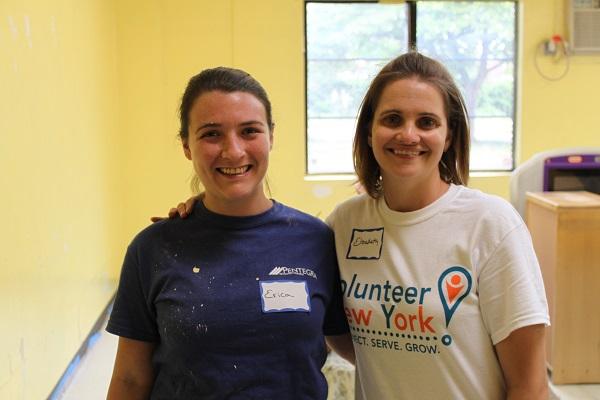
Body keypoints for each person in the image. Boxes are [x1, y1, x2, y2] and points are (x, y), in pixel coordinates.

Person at [167, 52, 550, 399]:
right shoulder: (344, 224)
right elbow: (332, 319)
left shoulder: (491, 224)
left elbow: (528, 384)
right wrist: (204, 213)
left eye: (427, 122)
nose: (408, 135)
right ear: (369, 132)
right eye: (392, 119)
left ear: (448, 136)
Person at [106, 67, 352, 400]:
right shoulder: (154, 248)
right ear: (186, 145)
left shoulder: (316, 240)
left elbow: (361, 347)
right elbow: (131, 379)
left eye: (249, 131)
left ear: (271, 137)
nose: (233, 151)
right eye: (211, 134)